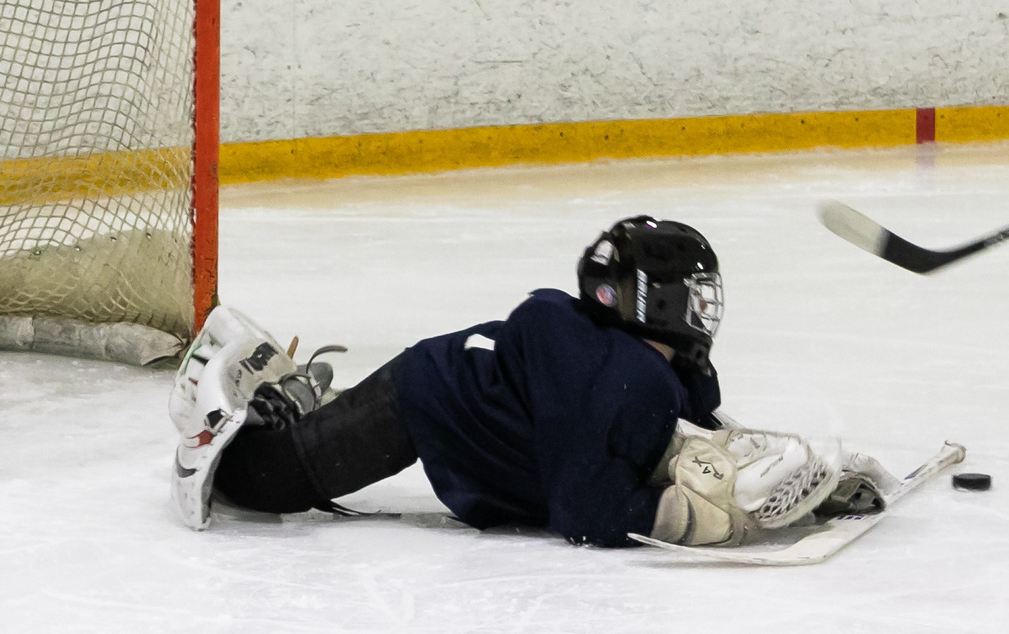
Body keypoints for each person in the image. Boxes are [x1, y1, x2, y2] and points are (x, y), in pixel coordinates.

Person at [168, 216, 882, 547]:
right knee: (260, 483)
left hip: (459, 393)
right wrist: (698, 519)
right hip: (421, 399)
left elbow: (695, 431)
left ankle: (297, 408)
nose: (704, 312)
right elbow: (586, 509)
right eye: (691, 297)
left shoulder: (652, 369)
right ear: (644, 304)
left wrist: (811, 484)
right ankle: (237, 422)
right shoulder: (619, 376)